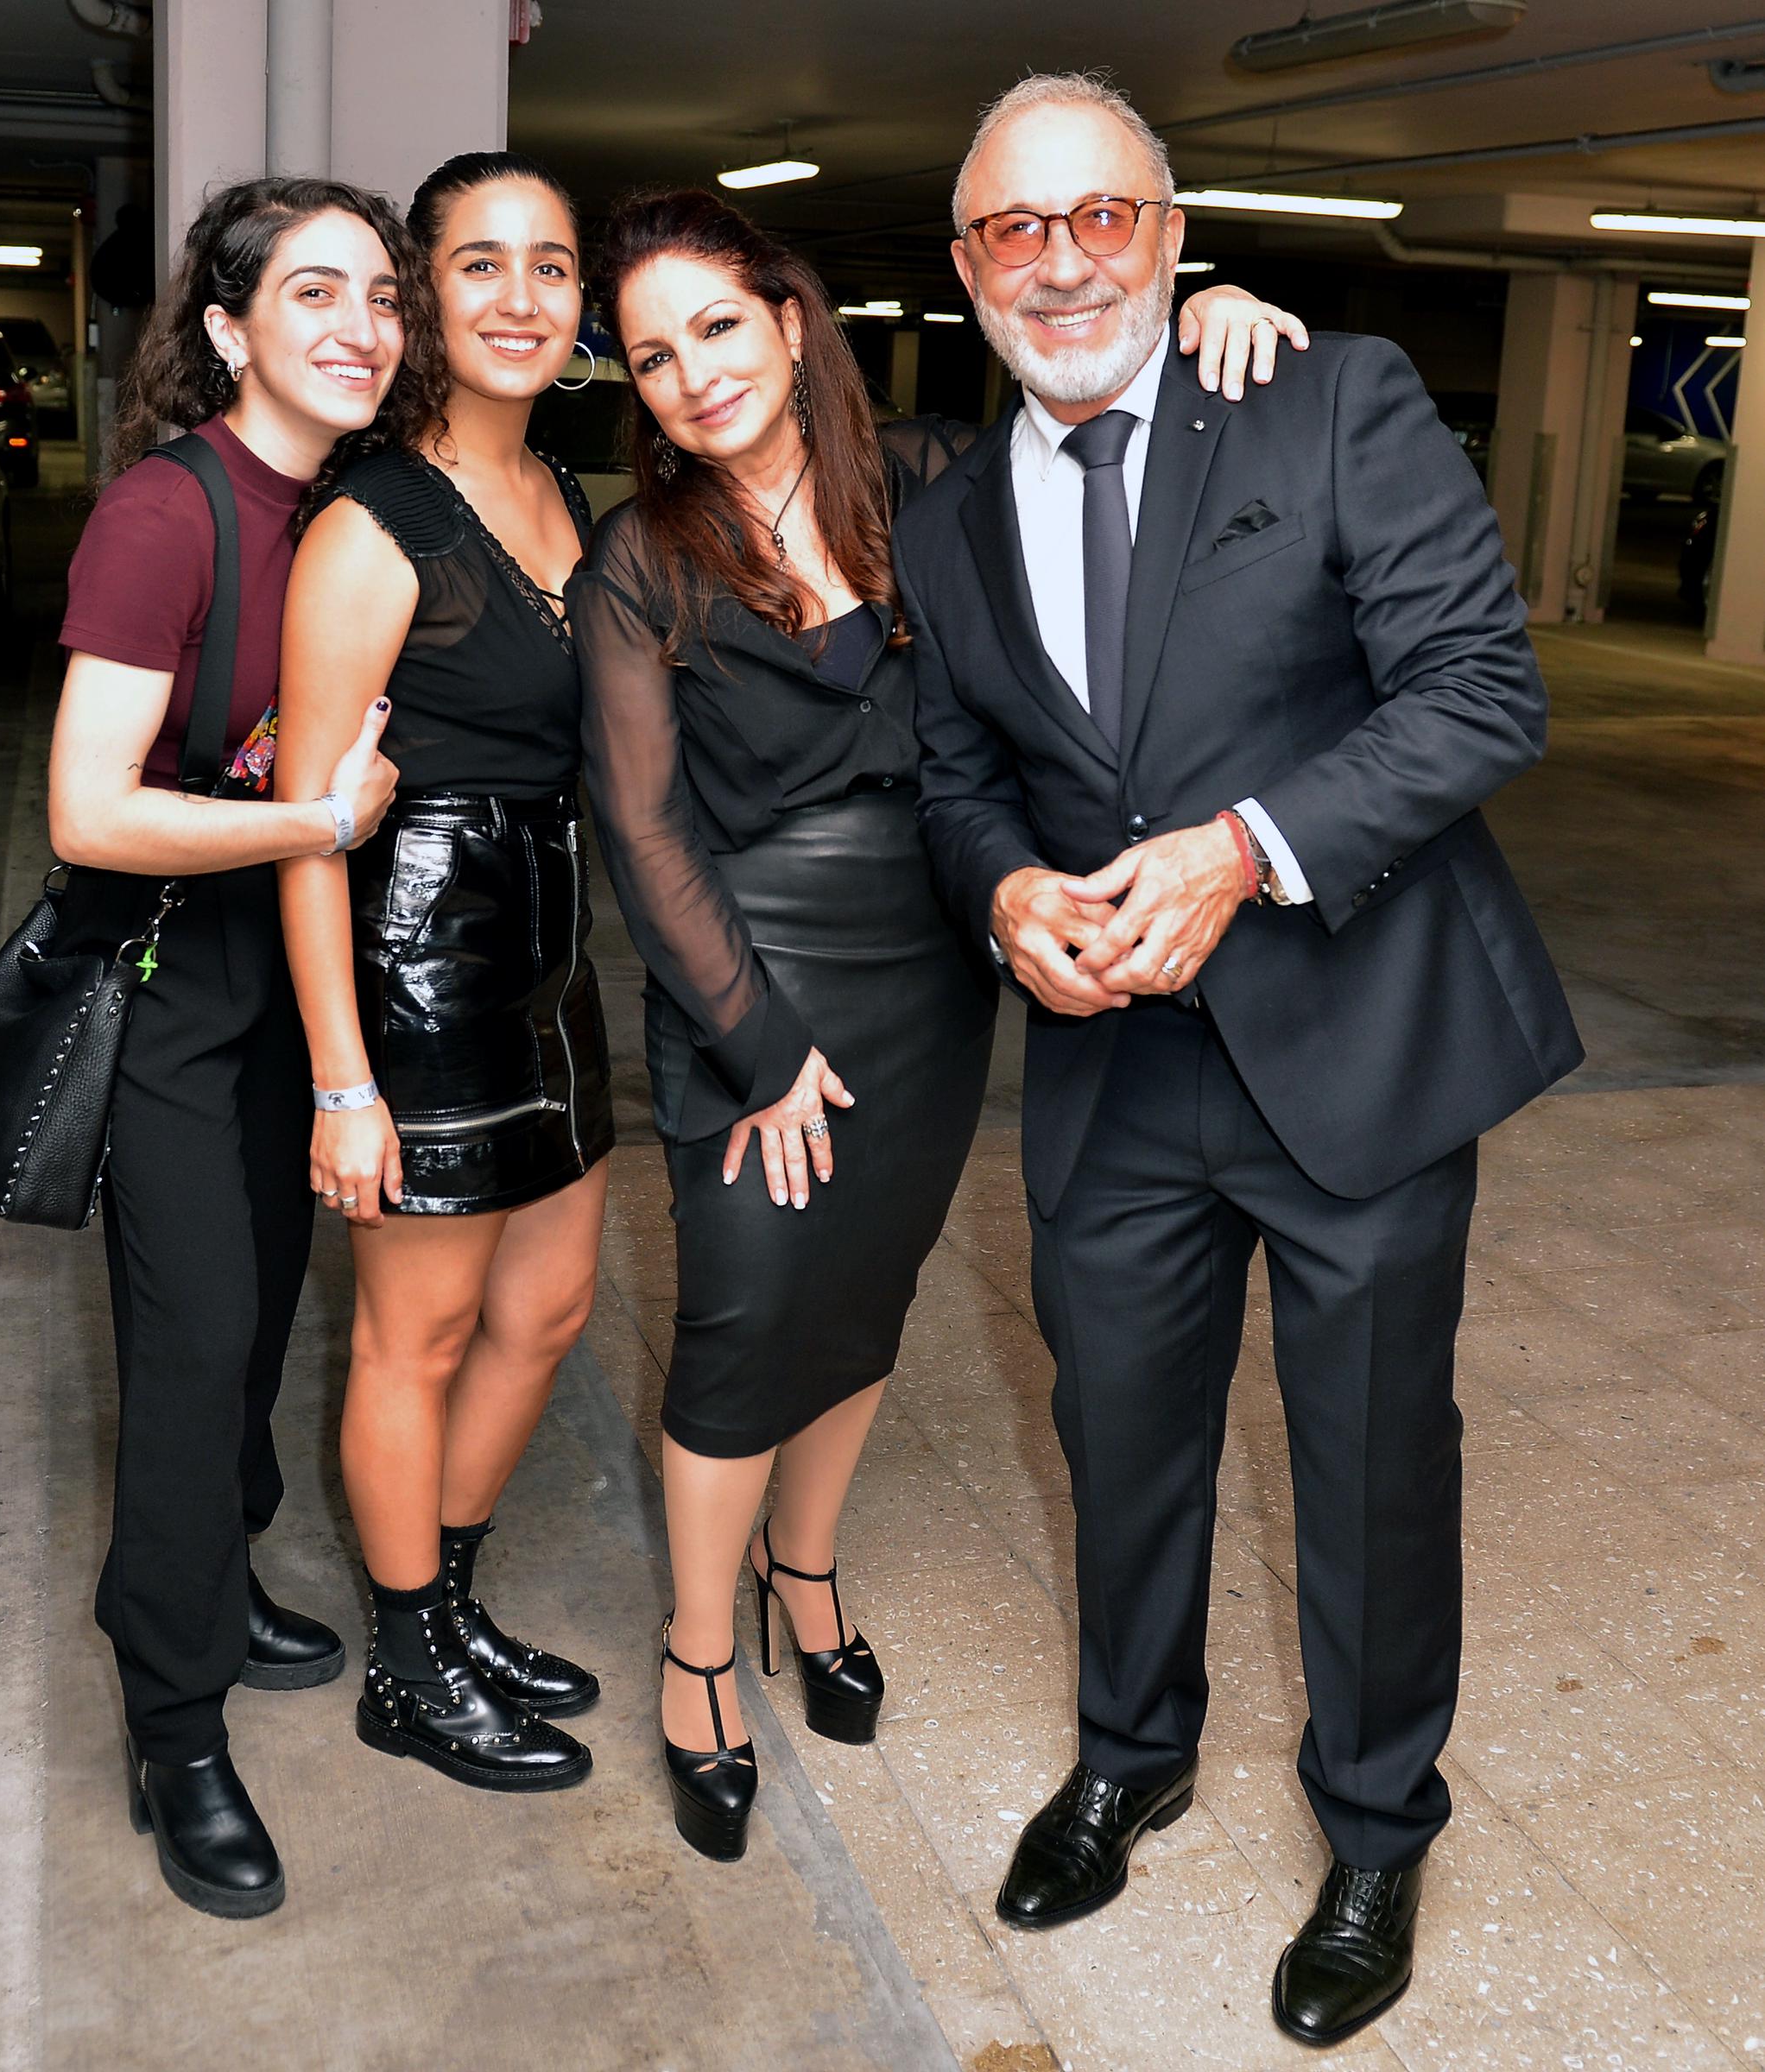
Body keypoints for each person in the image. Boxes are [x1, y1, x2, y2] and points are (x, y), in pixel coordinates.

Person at [894, 73, 1583, 2044]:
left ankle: (1373, 1830)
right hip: (1116, 1072)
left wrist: (1245, 850)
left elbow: (1479, 687)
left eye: (1100, 216)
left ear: (1174, 229)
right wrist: (1014, 894)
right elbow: (959, 784)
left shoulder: (1324, 398)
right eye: (1014, 231)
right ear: (966, 270)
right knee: (1118, 1435)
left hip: (1355, 1042)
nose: (1062, 262)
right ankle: (1132, 1752)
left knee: (1370, 1468)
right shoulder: (944, 524)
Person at [571, 187, 1306, 1862]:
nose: (691, 374)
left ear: (791, 319)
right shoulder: (638, 563)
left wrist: (1208, 325)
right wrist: (756, 1042)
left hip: (930, 963)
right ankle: (699, 1659)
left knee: (862, 1295)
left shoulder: (926, 481)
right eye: (655, 353)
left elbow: (1122, 446)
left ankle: (806, 1576)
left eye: (717, 329)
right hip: (747, 983)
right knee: (747, 1316)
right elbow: (647, 830)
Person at [47, 176, 417, 1917]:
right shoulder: (162, 516)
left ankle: (210, 1577)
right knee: (194, 1355)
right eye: (319, 292)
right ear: (226, 328)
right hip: (180, 996)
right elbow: (89, 811)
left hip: (292, 987)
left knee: (263, 1309)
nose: (363, 326)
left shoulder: (344, 508)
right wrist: (315, 828)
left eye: (382, 298)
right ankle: (174, 1714)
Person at [274, 152, 611, 1794]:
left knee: (544, 1311)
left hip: (552, 952)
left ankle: (450, 1601)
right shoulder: (366, 522)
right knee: (417, 1333)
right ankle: (405, 1666)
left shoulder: (573, 495)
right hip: (419, 947)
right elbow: (306, 828)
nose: (519, 298)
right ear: (423, 297)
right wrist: (344, 1077)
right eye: (479, 265)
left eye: (550, 267)